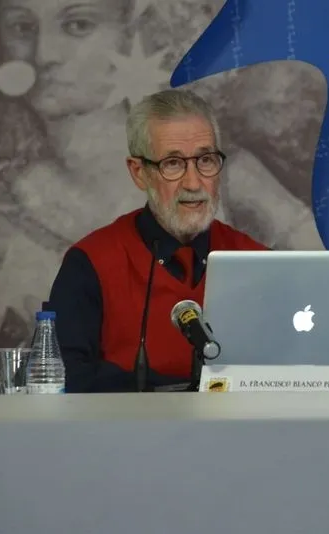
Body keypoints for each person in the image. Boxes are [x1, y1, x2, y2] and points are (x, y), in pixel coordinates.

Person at [47, 89, 269, 392]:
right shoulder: (91, 263)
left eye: (205, 160)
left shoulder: (257, 260)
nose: (193, 183)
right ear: (139, 173)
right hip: (126, 436)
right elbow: (63, 381)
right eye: (173, 164)